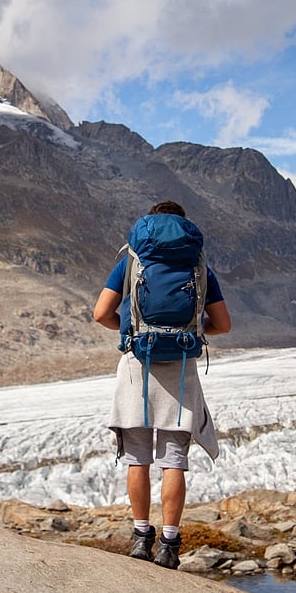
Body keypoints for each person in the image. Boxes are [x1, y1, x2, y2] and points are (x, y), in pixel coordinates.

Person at [92, 201, 232, 569]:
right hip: (182, 367)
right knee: (174, 461)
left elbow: (101, 313)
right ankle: (169, 545)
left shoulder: (133, 261)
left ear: (150, 223)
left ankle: (141, 539)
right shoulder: (198, 266)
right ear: (184, 228)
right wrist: (195, 331)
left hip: (138, 365)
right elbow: (223, 323)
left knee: (137, 458)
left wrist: (130, 330)